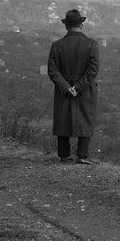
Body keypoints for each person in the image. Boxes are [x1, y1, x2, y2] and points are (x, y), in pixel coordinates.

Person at [47, 9, 99, 164]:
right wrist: (78, 87)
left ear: (66, 26)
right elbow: (93, 69)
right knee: (86, 118)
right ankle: (82, 156)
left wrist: (66, 87)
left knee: (63, 119)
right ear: (81, 25)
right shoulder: (91, 44)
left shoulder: (56, 46)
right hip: (85, 89)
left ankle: (64, 154)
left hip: (63, 90)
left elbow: (52, 70)